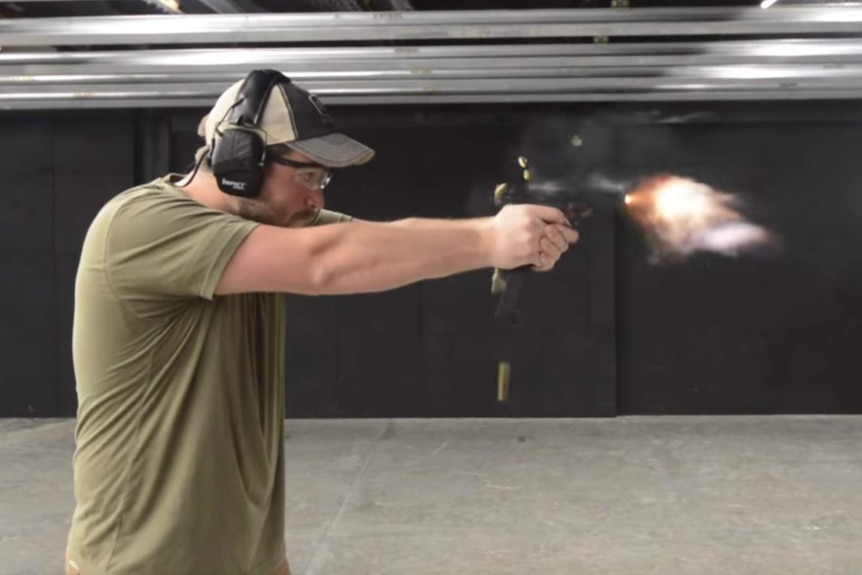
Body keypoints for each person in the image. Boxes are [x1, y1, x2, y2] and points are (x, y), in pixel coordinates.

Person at [64, 69, 579, 575]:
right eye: (308, 175)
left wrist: (506, 241)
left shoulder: (261, 223)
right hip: (143, 560)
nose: (318, 198)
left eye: (323, 178)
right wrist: (489, 240)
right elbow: (325, 263)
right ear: (239, 159)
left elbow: (384, 241)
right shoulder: (140, 224)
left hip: (249, 555)